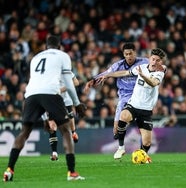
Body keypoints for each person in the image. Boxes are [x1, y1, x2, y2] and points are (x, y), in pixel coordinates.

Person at [3, 35, 86, 182]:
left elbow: (36, 82)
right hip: (51, 93)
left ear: (46, 46)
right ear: (59, 46)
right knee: (66, 131)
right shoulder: (63, 56)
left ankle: (9, 169)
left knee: (24, 132)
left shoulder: (35, 58)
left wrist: (44, 116)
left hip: (30, 95)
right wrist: (77, 103)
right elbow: (68, 81)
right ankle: (72, 172)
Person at [98, 48, 167, 161]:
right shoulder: (141, 68)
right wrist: (108, 75)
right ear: (149, 58)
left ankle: (142, 157)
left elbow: (154, 83)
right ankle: (121, 148)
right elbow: (125, 72)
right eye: (153, 59)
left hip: (146, 110)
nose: (154, 62)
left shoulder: (160, 72)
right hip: (133, 104)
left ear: (161, 62)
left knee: (147, 142)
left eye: (158, 60)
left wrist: (143, 76)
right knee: (123, 116)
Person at [84, 42, 149, 139]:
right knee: (116, 128)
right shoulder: (118, 65)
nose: (129, 56)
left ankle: (142, 148)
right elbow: (107, 73)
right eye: (126, 54)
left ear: (135, 52)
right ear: (123, 54)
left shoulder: (144, 62)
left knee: (143, 128)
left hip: (138, 96)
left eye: (130, 53)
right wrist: (93, 80)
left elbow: (156, 65)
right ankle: (121, 146)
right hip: (124, 97)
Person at [42, 72, 80, 161]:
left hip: (66, 101)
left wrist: (62, 89)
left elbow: (76, 82)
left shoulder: (67, 72)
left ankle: (73, 132)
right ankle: (54, 153)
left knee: (69, 126)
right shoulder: (48, 73)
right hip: (53, 102)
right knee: (52, 126)